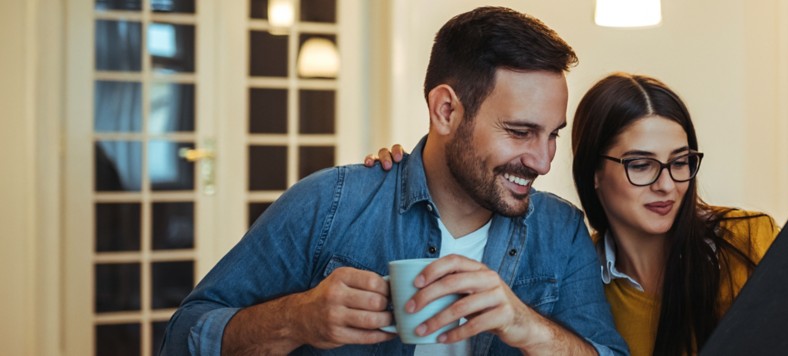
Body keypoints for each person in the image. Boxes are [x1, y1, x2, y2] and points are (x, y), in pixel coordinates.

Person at [160, 7, 627, 355]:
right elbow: (183, 337)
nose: (543, 162)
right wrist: (297, 319)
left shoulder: (561, 232)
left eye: (553, 136)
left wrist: (528, 326)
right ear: (446, 110)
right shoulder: (330, 204)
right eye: (521, 132)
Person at [369, 73, 788, 355]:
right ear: (594, 172)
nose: (667, 185)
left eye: (680, 163)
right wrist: (414, 167)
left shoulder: (749, 239)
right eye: (641, 165)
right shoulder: (574, 279)